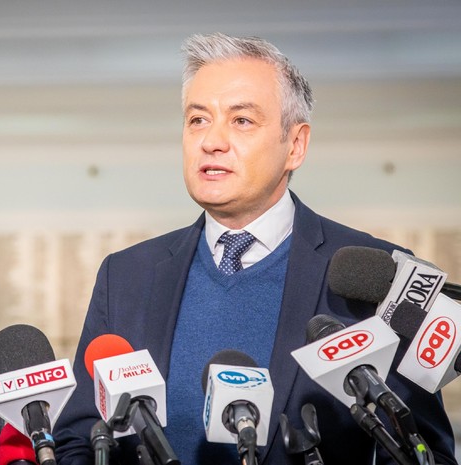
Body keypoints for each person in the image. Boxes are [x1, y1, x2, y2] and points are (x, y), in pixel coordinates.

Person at [54, 33, 457, 464]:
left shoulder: (376, 276)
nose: (212, 141)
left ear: (295, 145)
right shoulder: (126, 276)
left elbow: (423, 449)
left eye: (242, 120)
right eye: (198, 120)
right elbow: (78, 438)